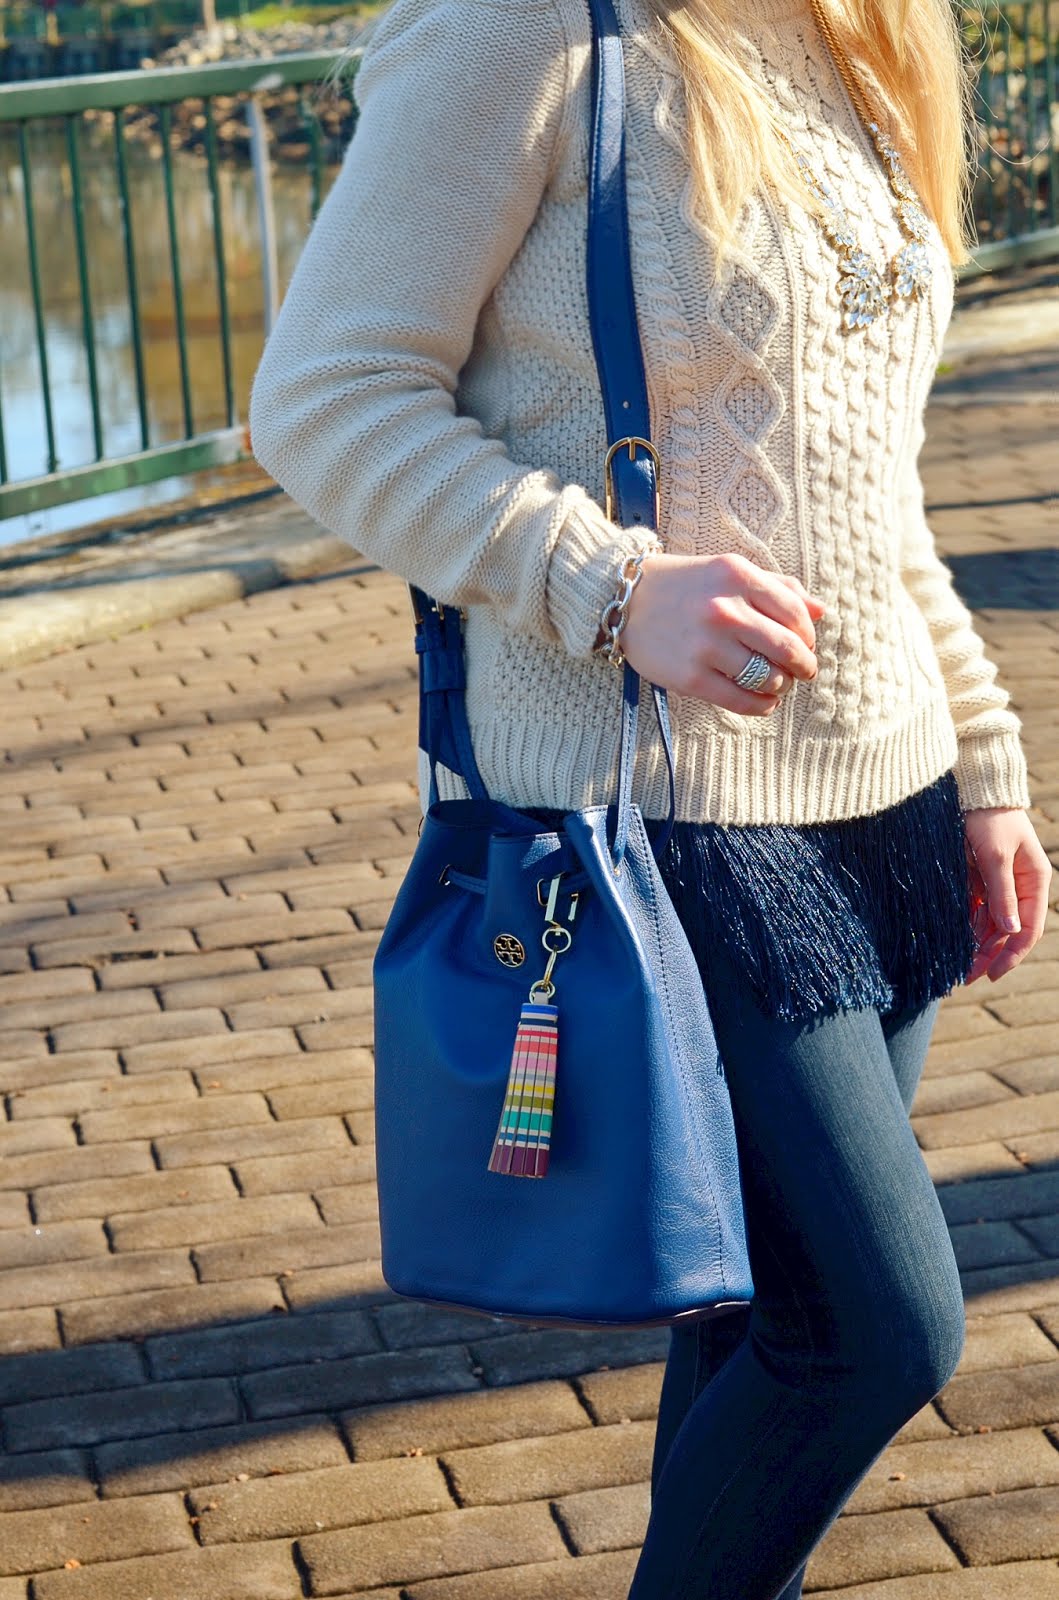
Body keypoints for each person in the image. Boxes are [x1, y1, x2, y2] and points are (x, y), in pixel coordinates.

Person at [247, 0, 1052, 1591]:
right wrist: (612, 587)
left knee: (766, 1326)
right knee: (877, 1330)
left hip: (883, 799)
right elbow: (325, 395)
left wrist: (983, 758)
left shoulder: (861, 28)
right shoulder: (519, 32)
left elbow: (862, 473)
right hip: (663, 816)